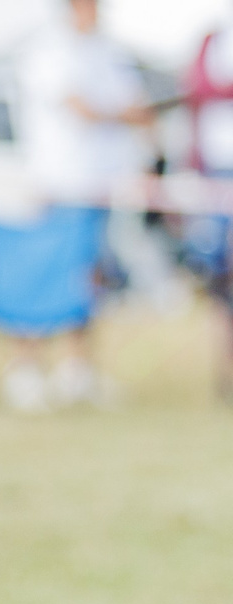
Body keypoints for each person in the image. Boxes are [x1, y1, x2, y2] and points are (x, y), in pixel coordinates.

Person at [0, 0, 152, 410]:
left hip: (99, 186)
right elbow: (80, 107)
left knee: (88, 280)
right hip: (56, 185)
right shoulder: (46, 49)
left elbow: (134, 103)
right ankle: (26, 371)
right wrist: (125, 116)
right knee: (41, 278)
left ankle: (76, 372)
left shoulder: (109, 51)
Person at [186, 13, 233, 394]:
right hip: (217, 173)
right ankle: (225, 373)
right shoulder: (213, 40)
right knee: (219, 276)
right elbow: (196, 90)